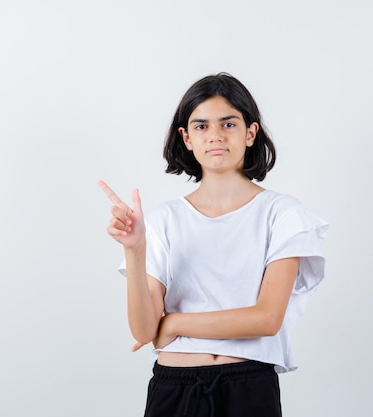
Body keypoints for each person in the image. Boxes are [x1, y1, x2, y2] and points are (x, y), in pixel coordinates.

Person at [98, 73, 328, 417]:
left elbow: (266, 319)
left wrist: (173, 323)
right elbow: (145, 330)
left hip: (248, 386)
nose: (215, 135)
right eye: (201, 126)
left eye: (228, 123)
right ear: (186, 138)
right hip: (173, 386)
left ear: (250, 133)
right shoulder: (165, 220)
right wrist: (134, 249)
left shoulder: (283, 214)